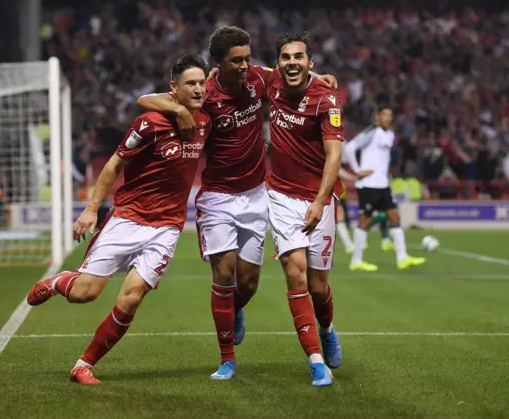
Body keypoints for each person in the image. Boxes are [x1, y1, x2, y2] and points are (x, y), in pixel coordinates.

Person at [136, 26, 337, 380]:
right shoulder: (205, 95)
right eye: (237, 61)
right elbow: (144, 101)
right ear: (218, 63)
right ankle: (227, 358)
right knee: (225, 272)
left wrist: (320, 75)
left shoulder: (259, 81)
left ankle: (237, 309)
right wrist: (181, 112)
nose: (246, 66)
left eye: (248, 58)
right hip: (217, 196)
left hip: (256, 194)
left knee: (249, 283)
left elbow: (289, 74)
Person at [26, 54, 211, 385]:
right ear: (173, 88)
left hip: (167, 227)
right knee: (85, 293)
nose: (198, 89)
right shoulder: (150, 123)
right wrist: (91, 208)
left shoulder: (207, 122)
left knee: (132, 298)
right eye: (190, 84)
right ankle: (58, 282)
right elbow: (113, 165)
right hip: (127, 218)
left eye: (202, 83)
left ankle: (84, 364)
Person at [265, 32, 344, 387]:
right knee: (294, 273)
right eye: (285, 57)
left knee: (318, 285)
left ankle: (326, 328)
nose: (292, 62)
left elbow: (334, 157)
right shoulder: (270, 83)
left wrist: (319, 201)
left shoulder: (327, 100)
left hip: (319, 199)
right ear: (277, 63)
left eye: (299, 57)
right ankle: (315, 361)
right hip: (280, 196)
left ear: (311, 63)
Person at [344, 108, 426, 271]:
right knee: (365, 221)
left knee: (395, 217)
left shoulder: (390, 135)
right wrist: (358, 169)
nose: (388, 118)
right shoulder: (371, 131)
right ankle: (356, 261)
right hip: (368, 184)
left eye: (390, 115)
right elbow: (350, 147)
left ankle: (402, 258)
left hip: (383, 184)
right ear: (377, 116)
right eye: (385, 115)